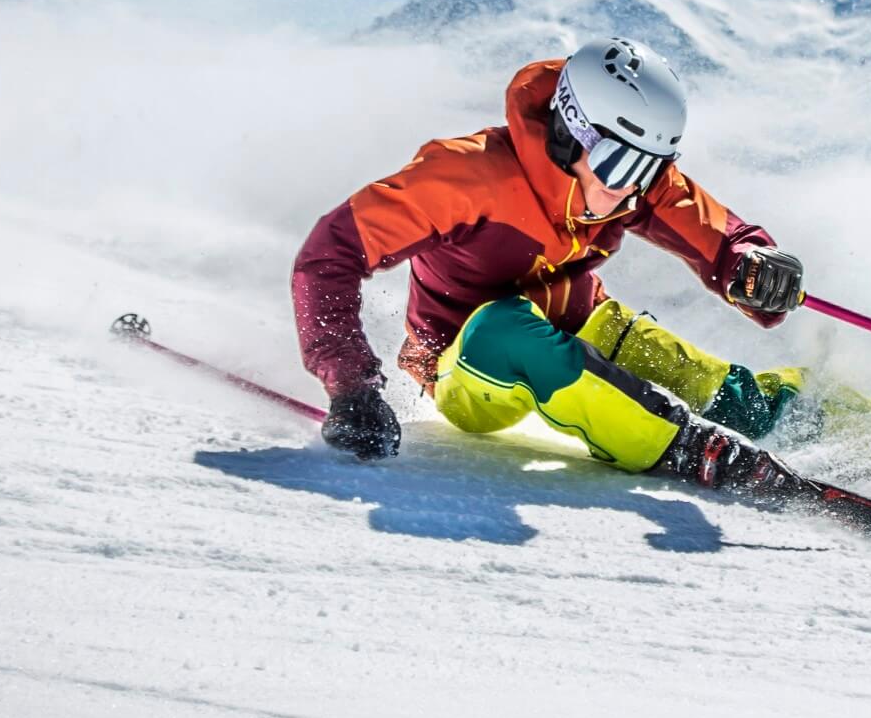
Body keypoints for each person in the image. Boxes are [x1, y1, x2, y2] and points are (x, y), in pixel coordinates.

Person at [288, 37, 811, 488]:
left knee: (735, 398)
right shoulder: (464, 178)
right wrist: (351, 385)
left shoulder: (629, 183)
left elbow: (715, 233)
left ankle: (825, 414)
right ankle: (691, 449)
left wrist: (749, 265)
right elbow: (328, 254)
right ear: (569, 132)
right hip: (468, 367)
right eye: (618, 162)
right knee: (503, 327)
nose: (629, 186)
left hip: (578, 329)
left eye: (649, 168)